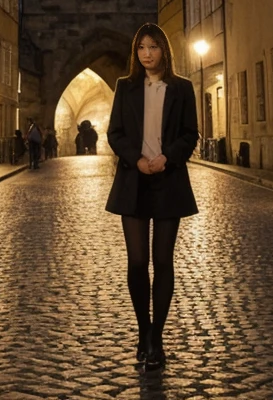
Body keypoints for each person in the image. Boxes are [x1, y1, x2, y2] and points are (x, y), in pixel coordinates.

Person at [106, 23, 198, 372]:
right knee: (136, 262)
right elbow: (114, 132)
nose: (147, 53)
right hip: (134, 179)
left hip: (168, 179)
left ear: (164, 50)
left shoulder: (182, 88)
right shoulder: (125, 87)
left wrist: (167, 157)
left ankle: (156, 337)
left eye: (154, 47)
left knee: (163, 262)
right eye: (142, 47)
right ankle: (143, 331)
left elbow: (191, 133)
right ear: (136, 52)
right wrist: (137, 159)